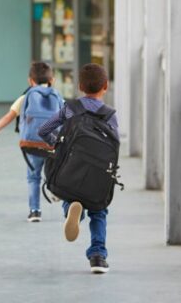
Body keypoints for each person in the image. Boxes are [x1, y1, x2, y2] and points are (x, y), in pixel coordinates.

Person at [38, 63, 118, 274]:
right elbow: (113, 148)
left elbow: (43, 130)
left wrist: (60, 144)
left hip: (71, 171)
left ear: (80, 86)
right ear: (106, 86)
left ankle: (72, 210)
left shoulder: (71, 107)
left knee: (71, 195)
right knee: (99, 211)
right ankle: (98, 257)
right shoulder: (110, 114)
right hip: (98, 175)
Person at [0, 62, 62, 222]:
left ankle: (35, 211)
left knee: (34, 177)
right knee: (55, 173)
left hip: (32, 144)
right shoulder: (58, 96)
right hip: (53, 143)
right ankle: (56, 191)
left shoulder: (26, 97)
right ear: (52, 80)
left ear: (30, 81)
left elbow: (9, 117)